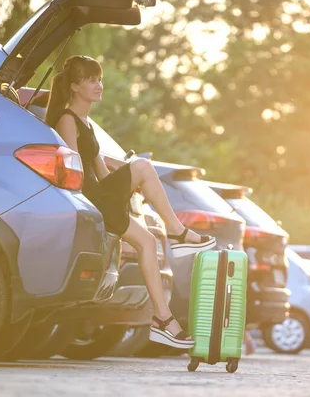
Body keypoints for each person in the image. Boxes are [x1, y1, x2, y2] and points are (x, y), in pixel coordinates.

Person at [45, 55, 217, 349]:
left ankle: (163, 320)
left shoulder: (87, 122)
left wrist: (129, 184)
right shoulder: (66, 120)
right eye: (91, 80)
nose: (99, 85)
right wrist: (132, 175)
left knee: (148, 242)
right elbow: (74, 169)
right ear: (74, 87)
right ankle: (176, 231)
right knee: (142, 166)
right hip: (86, 199)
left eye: (100, 79)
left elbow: (99, 169)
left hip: (98, 195)